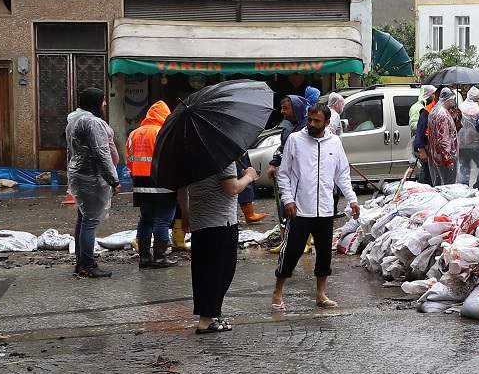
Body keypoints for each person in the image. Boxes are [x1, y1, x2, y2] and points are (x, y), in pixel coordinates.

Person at [271, 101, 360, 312]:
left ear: (327, 123)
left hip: (325, 209)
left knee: (324, 254)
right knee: (291, 251)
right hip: (300, 208)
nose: (311, 124)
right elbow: (283, 174)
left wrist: (353, 199)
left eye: (316, 121)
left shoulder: (335, 143)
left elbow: (342, 175)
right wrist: (288, 200)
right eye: (309, 119)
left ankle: (320, 294)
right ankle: (277, 291)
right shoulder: (295, 140)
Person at [182, 151, 257, 333]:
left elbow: (182, 189)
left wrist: (185, 215)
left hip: (200, 222)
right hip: (221, 222)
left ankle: (211, 314)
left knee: (203, 271)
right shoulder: (222, 156)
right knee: (220, 272)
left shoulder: (189, 157)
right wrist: (249, 176)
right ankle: (206, 319)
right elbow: (231, 188)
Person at [66, 88, 120, 279]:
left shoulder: (73, 120)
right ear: (96, 102)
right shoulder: (92, 122)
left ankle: (81, 263)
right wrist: (114, 180)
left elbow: (71, 152)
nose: (105, 104)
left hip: (79, 175)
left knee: (83, 218)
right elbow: (102, 152)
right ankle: (88, 265)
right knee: (89, 221)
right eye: (103, 101)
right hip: (91, 177)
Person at [126, 100, 177, 269]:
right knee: (162, 219)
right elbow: (170, 158)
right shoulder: (162, 132)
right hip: (162, 180)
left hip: (140, 182)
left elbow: (129, 159)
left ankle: (144, 258)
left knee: (146, 218)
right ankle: (160, 257)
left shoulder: (134, 133)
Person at [427, 88, 460, 185]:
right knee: (447, 186)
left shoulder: (434, 111)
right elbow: (444, 140)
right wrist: (448, 160)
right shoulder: (443, 115)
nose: (454, 101)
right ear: (449, 99)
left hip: (436, 156)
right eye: (453, 99)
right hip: (444, 158)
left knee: (439, 184)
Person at [457, 86, 479, 187]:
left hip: (461, 144)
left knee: (464, 167)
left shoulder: (461, 107)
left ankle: (462, 187)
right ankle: (478, 185)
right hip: (476, 144)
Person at [410, 85, 436, 183]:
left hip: (429, 147)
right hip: (422, 145)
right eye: (433, 94)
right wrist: (421, 150)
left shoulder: (433, 108)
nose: (435, 96)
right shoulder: (420, 108)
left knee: (429, 172)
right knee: (425, 172)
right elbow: (417, 128)